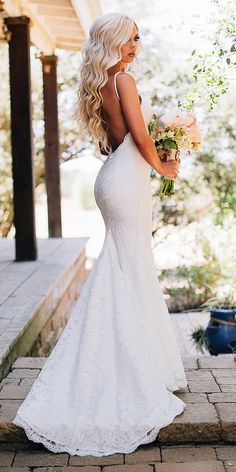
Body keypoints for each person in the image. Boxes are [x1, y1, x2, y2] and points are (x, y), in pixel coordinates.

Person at [12, 12, 188, 457]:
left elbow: (117, 142)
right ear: (111, 42)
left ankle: (143, 359)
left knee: (127, 265)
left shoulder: (102, 81)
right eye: (129, 39)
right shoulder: (124, 81)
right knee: (129, 266)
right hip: (127, 181)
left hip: (114, 177)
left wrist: (153, 153)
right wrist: (162, 162)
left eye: (137, 38)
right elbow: (142, 138)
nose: (135, 46)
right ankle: (129, 368)